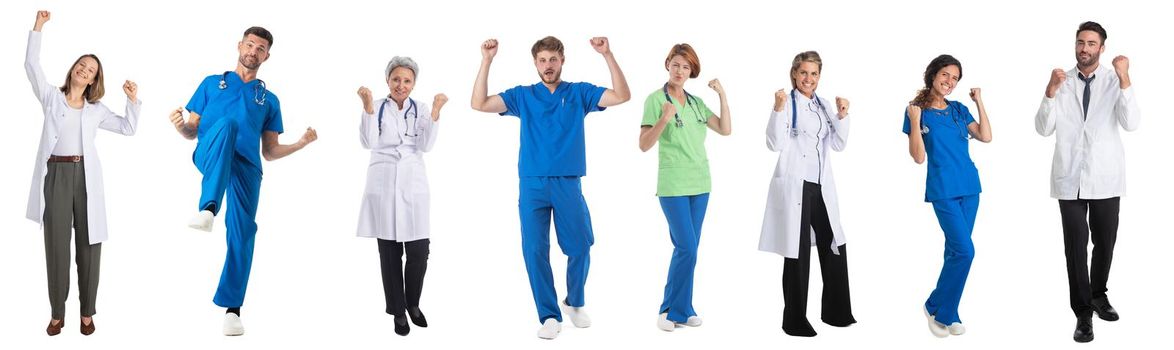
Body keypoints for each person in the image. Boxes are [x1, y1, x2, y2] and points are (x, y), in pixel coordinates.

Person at [470, 36, 630, 339]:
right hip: (532, 183)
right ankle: (549, 315)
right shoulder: (523, 96)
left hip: (568, 182)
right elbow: (479, 104)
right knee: (534, 250)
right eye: (542, 60)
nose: (548, 66)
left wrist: (607, 54)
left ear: (562, 61)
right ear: (535, 63)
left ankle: (574, 302)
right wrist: (487, 60)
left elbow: (622, 95)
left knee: (581, 244)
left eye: (552, 60)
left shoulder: (579, 93)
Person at [167, 26, 318, 336]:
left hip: (247, 167)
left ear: (267, 56)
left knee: (244, 230)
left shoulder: (269, 100)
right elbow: (192, 131)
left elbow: (271, 151)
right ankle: (208, 207)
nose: (253, 51)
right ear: (239, 46)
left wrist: (301, 144)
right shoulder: (211, 84)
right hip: (212, 152)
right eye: (250, 44)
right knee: (226, 125)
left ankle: (233, 309)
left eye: (260, 48)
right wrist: (181, 126)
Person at [24, 10, 140, 337]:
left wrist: (133, 100)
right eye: (81, 64)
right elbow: (32, 66)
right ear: (73, 69)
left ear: (92, 80)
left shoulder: (96, 111)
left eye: (90, 70)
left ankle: (87, 312)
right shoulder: (51, 97)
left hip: (86, 178)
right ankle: (57, 313)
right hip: (56, 176)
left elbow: (129, 128)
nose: (84, 69)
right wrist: (38, 27)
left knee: (90, 245)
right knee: (56, 246)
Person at [1034, 21, 1140, 343]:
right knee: (1076, 247)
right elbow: (1042, 128)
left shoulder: (1113, 80)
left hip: (1106, 177)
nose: (1084, 49)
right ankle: (1083, 313)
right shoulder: (1061, 81)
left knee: (1105, 242)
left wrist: (1124, 78)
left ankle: (1098, 294)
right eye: (1080, 42)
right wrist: (1050, 91)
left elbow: (1131, 122)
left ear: (1102, 48)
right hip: (1070, 178)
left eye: (1092, 44)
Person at [759, 51, 855, 337]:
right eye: (803, 73)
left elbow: (838, 145)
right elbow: (773, 143)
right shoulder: (786, 103)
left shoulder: (824, 106)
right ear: (794, 74)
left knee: (835, 245)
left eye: (814, 74)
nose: (808, 79)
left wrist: (842, 116)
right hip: (796, 185)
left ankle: (837, 313)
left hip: (821, 186)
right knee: (797, 253)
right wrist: (776, 109)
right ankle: (794, 320)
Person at [638, 43, 731, 332]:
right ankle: (668, 310)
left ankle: (683, 308)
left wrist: (722, 95)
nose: (680, 71)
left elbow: (725, 129)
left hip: (700, 183)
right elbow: (643, 145)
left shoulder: (696, 103)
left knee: (690, 249)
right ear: (668, 64)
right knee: (686, 247)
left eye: (686, 67)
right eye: (676, 64)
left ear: (692, 71)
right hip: (673, 185)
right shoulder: (655, 100)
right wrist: (664, 119)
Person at [355, 56, 448, 336]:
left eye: (407, 80)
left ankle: (413, 303)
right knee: (390, 254)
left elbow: (426, 145)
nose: (401, 85)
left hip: (413, 182)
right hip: (383, 182)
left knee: (419, 251)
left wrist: (435, 111)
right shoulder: (378, 108)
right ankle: (398, 311)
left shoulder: (420, 109)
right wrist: (368, 108)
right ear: (388, 80)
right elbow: (368, 142)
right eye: (396, 79)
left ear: (414, 83)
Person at [903, 54, 992, 338]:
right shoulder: (916, 111)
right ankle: (940, 310)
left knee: (956, 251)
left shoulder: (958, 109)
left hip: (970, 188)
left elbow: (986, 136)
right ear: (932, 74)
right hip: (943, 190)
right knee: (966, 251)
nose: (949, 82)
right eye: (946, 75)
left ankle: (943, 308)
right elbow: (918, 157)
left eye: (955, 78)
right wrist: (915, 122)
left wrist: (979, 101)